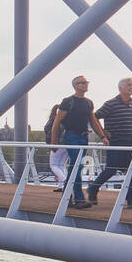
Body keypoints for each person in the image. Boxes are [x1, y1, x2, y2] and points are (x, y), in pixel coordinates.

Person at [50, 75, 108, 209]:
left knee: (75, 167)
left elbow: (93, 121)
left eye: (86, 82)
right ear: (76, 85)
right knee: (77, 166)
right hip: (71, 136)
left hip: (83, 137)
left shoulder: (88, 102)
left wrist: (102, 136)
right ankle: (79, 199)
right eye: (82, 83)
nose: (85, 84)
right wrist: (54, 141)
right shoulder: (68, 101)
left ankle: (67, 197)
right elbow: (57, 121)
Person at [86, 76, 132, 207]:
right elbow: (94, 117)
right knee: (111, 169)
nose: (131, 87)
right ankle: (93, 188)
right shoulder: (111, 103)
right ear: (121, 88)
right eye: (128, 85)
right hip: (117, 140)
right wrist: (103, 133)